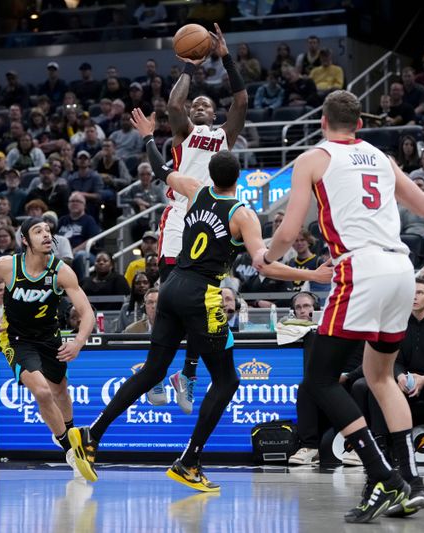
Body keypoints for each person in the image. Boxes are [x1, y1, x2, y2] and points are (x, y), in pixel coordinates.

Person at [67, 109, 331, 492]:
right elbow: (266, 266)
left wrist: (146, 137)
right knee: (227, 382)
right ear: (237, 177)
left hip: (171, 284)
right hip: (202, 295)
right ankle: (189, 461)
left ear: (212, 174)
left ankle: (92, 435)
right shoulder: (243, 214)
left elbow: (161, 170)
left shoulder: (195, 191)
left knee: (153, 370)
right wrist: (312, 275)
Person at [254, 90, 424, 522]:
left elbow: (292, 225)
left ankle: (384, 477)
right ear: (359, 122)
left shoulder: (314, 158)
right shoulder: (379, 155)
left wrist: (268, 256)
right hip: (400, 269)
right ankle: (411, 481)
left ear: (322, 121)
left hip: (360, 267)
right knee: (380, 376)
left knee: (318, 379)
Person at [153, 23, 249, 414]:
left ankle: (187, 372)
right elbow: (175, 105)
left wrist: (226, 57)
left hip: (214, 222)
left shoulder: (225, 136)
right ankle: (160, 371)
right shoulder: (184, 133)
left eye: (206, 105)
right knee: (170, 302)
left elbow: (240, 100)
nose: (198, 107)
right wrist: (191, 65)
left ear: (215, 112)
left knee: (202, 305)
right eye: (196, 105)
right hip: (180, 217)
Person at [0, 217, 96, 477]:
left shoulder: (62, 271)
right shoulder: (7, 266)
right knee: (43, 392)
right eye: (38, 231)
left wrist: (78, 342)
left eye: (48, 230)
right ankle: (70, 449)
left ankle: (67, 432)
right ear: (24, 240)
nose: (46, 235)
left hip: (50, 338)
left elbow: (87, 312)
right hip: (17, 340)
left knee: (61, 391)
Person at [352, 278, 424, 469]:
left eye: (419, 293)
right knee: (379, 384)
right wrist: (400, 376)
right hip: (403, 380)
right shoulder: (398, 324)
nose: (414, 297)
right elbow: (392, 360)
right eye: (411, 293)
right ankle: (382, 445)